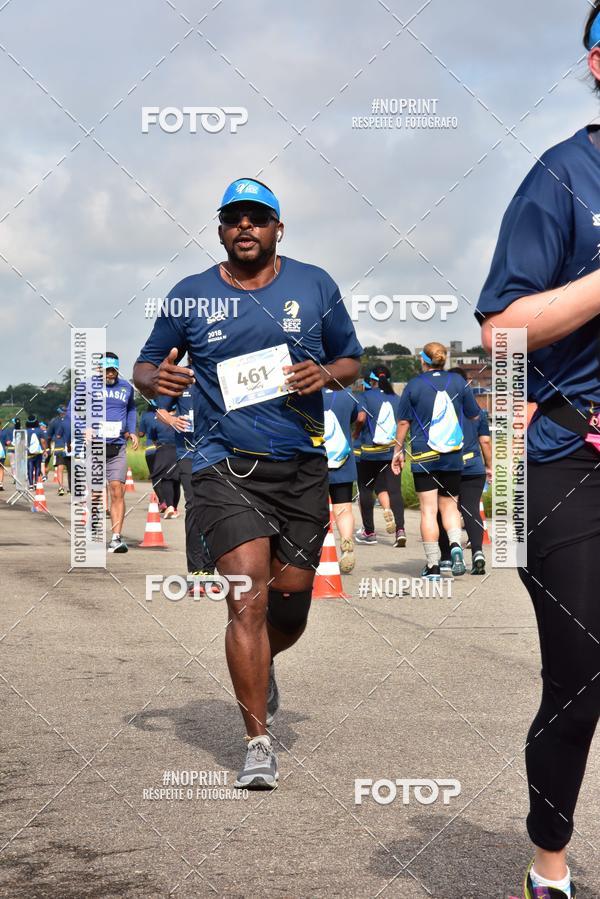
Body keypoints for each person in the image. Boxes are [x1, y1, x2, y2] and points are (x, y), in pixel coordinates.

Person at [134, 177, 362, 790]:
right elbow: (146, 364)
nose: (245, 228)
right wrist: (156, 382)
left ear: (277, 228)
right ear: (220, 229)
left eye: (257, 219)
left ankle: (264, 666)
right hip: (220, 465)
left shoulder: (315, 285)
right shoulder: (191, 295)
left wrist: (325, 375)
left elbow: (351, 360)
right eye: (234, 219)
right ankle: (257, 740)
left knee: (289, 607)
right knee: (247, 599)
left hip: (300, 465)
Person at [475, 10, 600, 896]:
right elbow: (503, 329)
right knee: (583, 672)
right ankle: (548, 867)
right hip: (572, 455)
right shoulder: (563, 173)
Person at [391, 344, 480, 579]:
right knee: (450, 505)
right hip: (452, 454)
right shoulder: (459, 382)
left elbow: (403, 423)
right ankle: (455, 546)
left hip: (424, 455)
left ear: (423, 360)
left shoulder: (414, 385)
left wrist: (397, 451)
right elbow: (474, 414)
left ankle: (433, 565)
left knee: (428, 511)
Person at [68, 351, 138, 553]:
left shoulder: (126, 387)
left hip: (117, 447)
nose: (111, 374)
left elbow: (132, 409)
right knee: (97, 493)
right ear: (99, 369)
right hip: (96, 448)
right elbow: (73, 410)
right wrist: (83, 428)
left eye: (114, 370)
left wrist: (131, 431)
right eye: (107, 370)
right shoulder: (87, 386)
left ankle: (116, 538)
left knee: (117, 489)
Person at [157, 381, 216, 591]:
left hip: (216, 455)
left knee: (215, 509)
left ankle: (210, 570)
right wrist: (172, 419)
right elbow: (160, 411)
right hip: (188, 454)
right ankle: (197, 570)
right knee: (194, 507)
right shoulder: (179, 382)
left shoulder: (217, 375)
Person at [437, 369, 492, 576]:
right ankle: (477, 552)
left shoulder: (441, 408)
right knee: (470, 509)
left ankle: (445, 556)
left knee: (443, 509)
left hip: (447, 466)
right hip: (473, 466)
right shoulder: (477, 410)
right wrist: (489, 465)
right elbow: (485, 441)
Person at [354, 365, 406, 547]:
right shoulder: (398, 399)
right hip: (393, 452)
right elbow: (404, 423)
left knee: (366, 489)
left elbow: (360, 418)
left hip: (370, 452)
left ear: (371, 380)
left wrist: (355, 433)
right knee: (394, 491)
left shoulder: (365, 396)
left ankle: (369, 531)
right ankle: (400, 530)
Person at [322, 386, 359, 572]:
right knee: (343, 507)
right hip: (342, 460)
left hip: (315, 461)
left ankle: (313, 552)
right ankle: (346, 543)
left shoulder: (308, 393)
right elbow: (357, 417)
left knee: (313, 509)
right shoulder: (348, 394)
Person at [147, 408, 180, 518]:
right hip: (173, 450)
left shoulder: (157, 418)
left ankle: (170, 506)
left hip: (167, 450)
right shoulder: (179, 416)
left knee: (169, 479)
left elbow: (152, 436)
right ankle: (173, 508)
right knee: (174, 480)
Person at [47, 406, 71, 495]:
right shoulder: (71, 420)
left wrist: (49, 447)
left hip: (59, 447)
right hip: (70, 447)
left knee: (60, 468)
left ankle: (61, 487)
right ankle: (70, 489)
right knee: (70, 469)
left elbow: (49, 436)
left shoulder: (54, 421)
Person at [138, 403, 158, 486]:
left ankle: (161, 498)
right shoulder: (166, 414)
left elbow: (141, 434)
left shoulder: (145, 416)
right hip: (165, 449)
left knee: (154, 476)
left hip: (151, 449)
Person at [25, 415, 46, 487]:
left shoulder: (26, 431)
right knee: (38, 467)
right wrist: (44, 450)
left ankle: (31, 485)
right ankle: (36, 482)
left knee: (30, 468)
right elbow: (43, 441)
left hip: (29, 453)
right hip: (38, 453)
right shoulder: (39, 430)